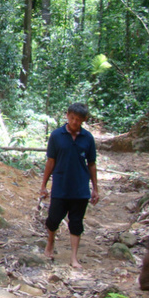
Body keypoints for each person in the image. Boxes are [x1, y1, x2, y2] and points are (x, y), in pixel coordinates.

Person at [39, 103, 100, 268]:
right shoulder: (56, 136)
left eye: (78, 120)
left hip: (80, 188)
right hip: (61, 185)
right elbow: (50, 161)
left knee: (76, 222)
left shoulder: (88, 138)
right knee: (53, 219)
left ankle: (74, 257)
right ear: (67, 116)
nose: (74, 122)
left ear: (84, 120)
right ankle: (50, 243)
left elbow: (92, 164)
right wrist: (44, 185)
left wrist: (95, 188)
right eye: (72, 118)